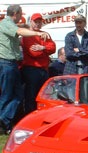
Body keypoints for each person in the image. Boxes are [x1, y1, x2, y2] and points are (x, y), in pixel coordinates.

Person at [0, 5, 50, 134]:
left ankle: (5, 120)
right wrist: (38, 33)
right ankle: (3, 122)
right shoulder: (6, 23)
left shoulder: (10, 25)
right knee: (7, 95)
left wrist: (31, 29)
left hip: (12, 64)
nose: (21, 17)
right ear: (16, 13)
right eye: (21, 14)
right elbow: (20, 33)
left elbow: (52, 47)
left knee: (18, 95)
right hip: (7, 63)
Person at [21, 13, 56, 115]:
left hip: (44, 69)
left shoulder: (45, 34)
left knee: (43, 95)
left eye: (39, 21)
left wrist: (43, 48)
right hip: (31, 70)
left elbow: (53, 48)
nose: (37, 23)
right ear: (31, 22)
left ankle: (41, 115)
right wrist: (46, 50)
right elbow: (33, 53)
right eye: (35, 21)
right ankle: (29, 116)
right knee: (31, 96)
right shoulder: (27, 36)